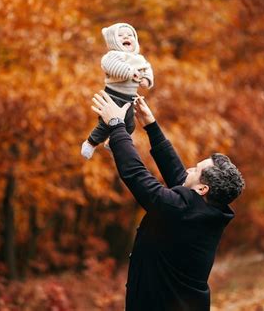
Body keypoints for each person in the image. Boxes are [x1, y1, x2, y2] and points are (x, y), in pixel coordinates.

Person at [90, 90, 245, 311]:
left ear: (203, 188)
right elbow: (179, 176)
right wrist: (151, 125)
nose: (189, 169)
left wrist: (116, 125)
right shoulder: (204, 209)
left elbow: (137, 176)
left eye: (196, 169)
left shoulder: (182, 210)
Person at [81, 22, 154, 159]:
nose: (126, 37)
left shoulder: (139, 59)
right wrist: (130, 72)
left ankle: (113, 142)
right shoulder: (112, 55)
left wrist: (146, 79)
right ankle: (91, 142)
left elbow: (147, 68)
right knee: (106, 124)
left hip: (130, 99)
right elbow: (112, 67)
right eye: (120, 35)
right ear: (113, 41)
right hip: (113, 96)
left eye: (130, 35)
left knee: (130, 126)